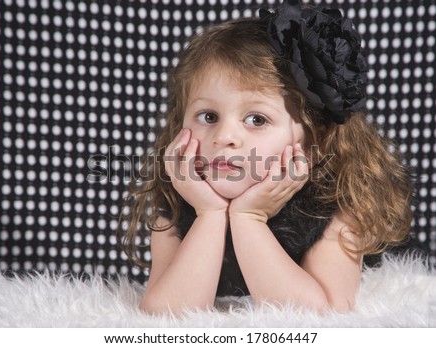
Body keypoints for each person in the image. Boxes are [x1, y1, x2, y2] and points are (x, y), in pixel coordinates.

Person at [118, 0, 414, 314]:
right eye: (208, 116)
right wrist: (210, 214)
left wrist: (249, 219)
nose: (223, 137)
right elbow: (165, 313)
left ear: (313, 145)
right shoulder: (177, 204)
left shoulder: (340, 208)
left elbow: (321, 316)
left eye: (257, 119)